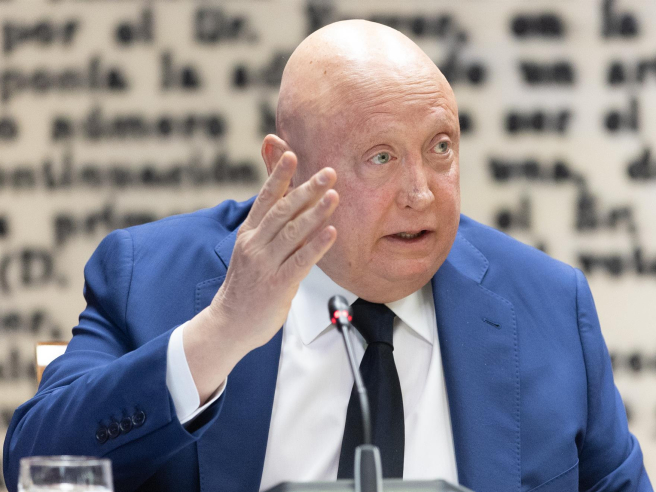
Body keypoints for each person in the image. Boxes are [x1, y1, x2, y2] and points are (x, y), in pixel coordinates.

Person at [3, 19, 652, 492]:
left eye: (441, 148)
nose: (421, 193)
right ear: (285, 169)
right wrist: (221, 332)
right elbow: (35, 463)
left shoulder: (551, 304)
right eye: (381, 157)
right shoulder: (146, 277)